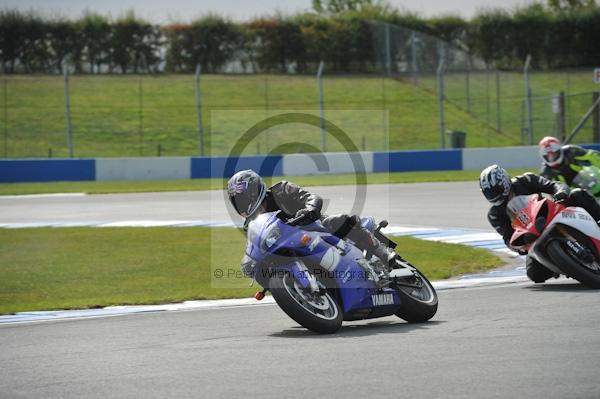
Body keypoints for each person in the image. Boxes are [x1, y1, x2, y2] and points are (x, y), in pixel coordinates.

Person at [227, 169, 394, 279]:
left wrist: (309, 209)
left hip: (315, 227)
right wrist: (249, 262)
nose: (241, 204)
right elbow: (254, 246)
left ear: (254, 191)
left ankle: (383, 252)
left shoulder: (282, 189)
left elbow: (310, 197)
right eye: (236, 201)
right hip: (291, 247)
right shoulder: (252, 224)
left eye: (242, 198)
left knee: (342, 220)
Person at [479, 164, 600, 283]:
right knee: (534, 274)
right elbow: (507, 237)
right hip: (531, 237)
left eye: (495, 190)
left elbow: (554, 185)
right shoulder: (495, 215)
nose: (493, 195)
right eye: (489, 193)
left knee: (578, 194)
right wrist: (519, 246)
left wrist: (561, 192)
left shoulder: (526, 180)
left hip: (551, 212)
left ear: (504, 182)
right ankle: (566, 264)